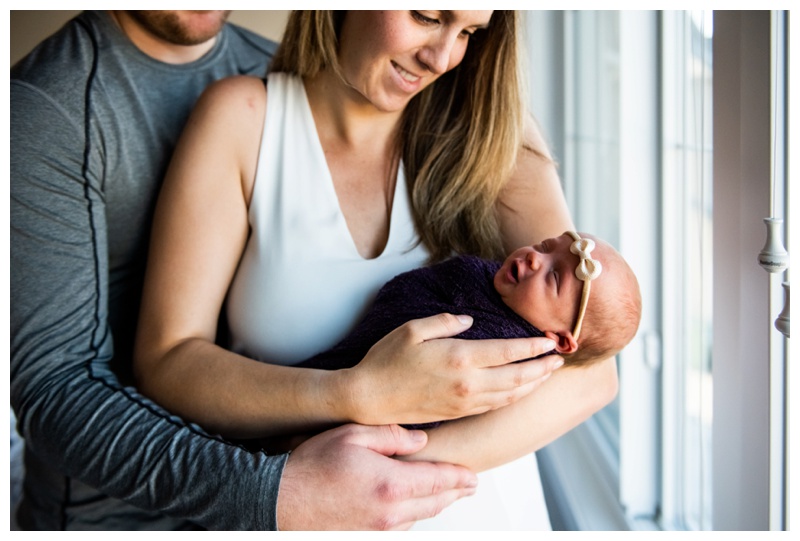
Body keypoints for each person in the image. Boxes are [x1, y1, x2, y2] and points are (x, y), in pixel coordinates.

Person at [133, 11, 619, 530]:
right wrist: (354, 393)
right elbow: (168, 360)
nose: (441, 58)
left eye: (469, 33)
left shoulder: (491, 132)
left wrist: (383, 471)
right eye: (427, 16)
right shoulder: (244, 121)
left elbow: (591, 375)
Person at [11, 10, 482, 531]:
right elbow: (54, 388)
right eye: (426, 15)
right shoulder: (44, 107)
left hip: (283, 478)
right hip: (115, 514)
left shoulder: (282, 78)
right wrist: (277, 489)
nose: (440, 52)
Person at [299, 231, 642, 379]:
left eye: (553, 278)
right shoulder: (495, 288)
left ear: (562, 339)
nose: (535, 259)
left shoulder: (502, 347)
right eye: (544, 246)